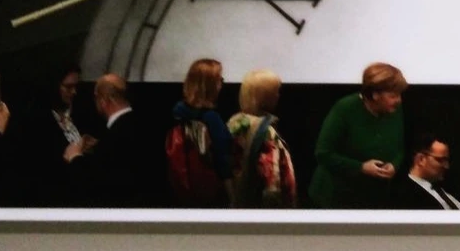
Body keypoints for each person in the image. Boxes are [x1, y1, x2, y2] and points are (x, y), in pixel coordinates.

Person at [309, 62, 407, 208]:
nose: (399, 100)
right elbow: (323, 154)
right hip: (335, 199)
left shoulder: (394, 110)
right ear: (375, 95)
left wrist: (394, 165)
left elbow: (399, 147)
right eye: (393, 95)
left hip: (372, 198)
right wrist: (361, 167)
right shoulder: (345, 109)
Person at [64, 74, 163, 207]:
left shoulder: (115, 137)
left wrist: (75, 157)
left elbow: (98, 182)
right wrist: (99, 146)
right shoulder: (146, 126)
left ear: (103, 100)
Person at [10, 63, 97, 206]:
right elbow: (36, 166)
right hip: (53, 198)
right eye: (68, 87)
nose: (74, 92)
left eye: (76, 87)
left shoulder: (79, 113)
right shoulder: (35, 120)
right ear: (54, 86)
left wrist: (88, 147)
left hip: (79, 195)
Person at [167, 58, 234, 207]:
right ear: (210, 85)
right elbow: (223, 162)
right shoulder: (212, 119)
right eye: (220, 80)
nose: (222, 84)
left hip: (180, 189)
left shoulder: (177, 112)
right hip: (210, 193)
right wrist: (232, 197)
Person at [227, 68, 297, 207]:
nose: (278, 96)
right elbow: (273, 177)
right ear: (266, 96)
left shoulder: (233, 124)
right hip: (261, 206)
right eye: (275, 91)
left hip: (237, 202)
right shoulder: (266, 132)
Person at [389, 133, 460, 209]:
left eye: (446, 160)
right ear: (421, 159)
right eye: (440, 160)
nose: (446, 166)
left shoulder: (448, 188)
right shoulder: (402, 194)